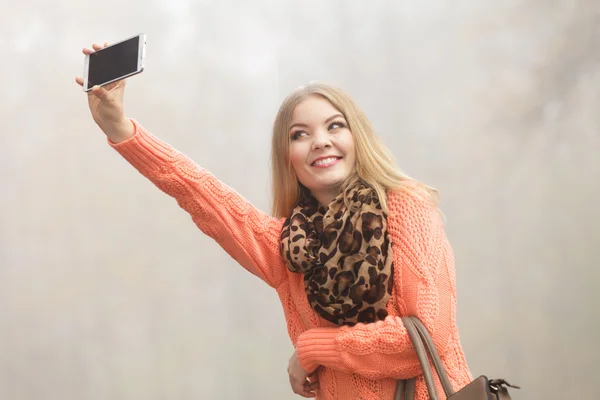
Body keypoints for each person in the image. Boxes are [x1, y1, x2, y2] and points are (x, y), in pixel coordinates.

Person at [76, 42, 473, 400]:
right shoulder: (287, 247)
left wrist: (312, 349)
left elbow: (425, 342)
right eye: (300, 134)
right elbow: (200, 194)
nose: (320, 141)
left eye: (335, 126)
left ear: (358, 137)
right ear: (288, 158)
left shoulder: (407, 209)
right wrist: (121, 130)